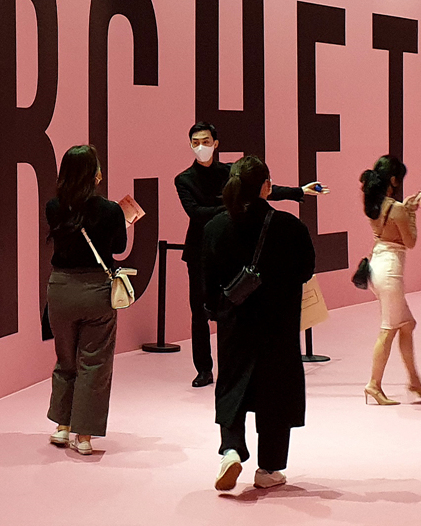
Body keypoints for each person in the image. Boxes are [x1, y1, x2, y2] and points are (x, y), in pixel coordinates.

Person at [174, 123, 321, 387]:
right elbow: (195, 213)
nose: (200, 147)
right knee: (200, 311)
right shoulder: (184, 179)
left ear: (215, 143)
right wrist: (233, 205)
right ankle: (204, 368)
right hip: (200, 250)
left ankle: (242, 363)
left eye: (205, 141)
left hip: (231, 245)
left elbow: (262, 189)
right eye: (195, 142)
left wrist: (298, 191)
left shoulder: (230, 170)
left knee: (238, 303)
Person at [202, 156, 317, 491]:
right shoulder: (289, 226)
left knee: (232, 384)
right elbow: (306, 270)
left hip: (234, 321)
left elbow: (207, 281)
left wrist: (218, 309)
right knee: (275, 391)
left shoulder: (215, 227)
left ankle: (231, 449)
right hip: (278, 323)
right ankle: (269, 468)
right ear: (266, 186)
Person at [43, 144, 140, 455]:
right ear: (93, 174)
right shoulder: (111, 210)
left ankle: (62, 426)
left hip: (60, 289)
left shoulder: (54, 207)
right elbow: (118, 248)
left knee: (65, 359)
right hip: (97, 290)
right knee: (94, 362)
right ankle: (83, 436)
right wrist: (123, 221)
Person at [360, 155, 421, 405]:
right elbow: (410, 241)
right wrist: (412, 213)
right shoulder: (398, 209)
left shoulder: (375, 205)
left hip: (377, 265)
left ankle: (414, 381)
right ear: (393, 180)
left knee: (406, 324)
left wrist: (407, 209)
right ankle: (374, 385)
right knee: (388, 330)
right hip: (390, 271)